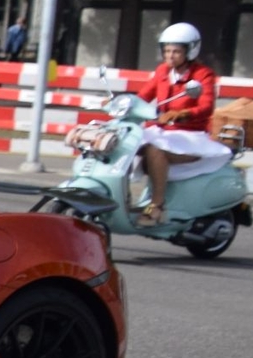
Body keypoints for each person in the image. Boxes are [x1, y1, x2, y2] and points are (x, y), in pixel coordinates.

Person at [75, 22, 227, 225]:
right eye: (167, 51)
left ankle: (157, 206)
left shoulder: (202, 75)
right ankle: (120, 197)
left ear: (190, 51)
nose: (170, 56)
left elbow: (207, 105)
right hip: (161, 131)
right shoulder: (163, 71)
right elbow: (143, 97)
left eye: (176, 51)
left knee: (154, 150)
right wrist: (118, 104)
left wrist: (181, 114)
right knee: (122, 142)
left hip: (190, 135)